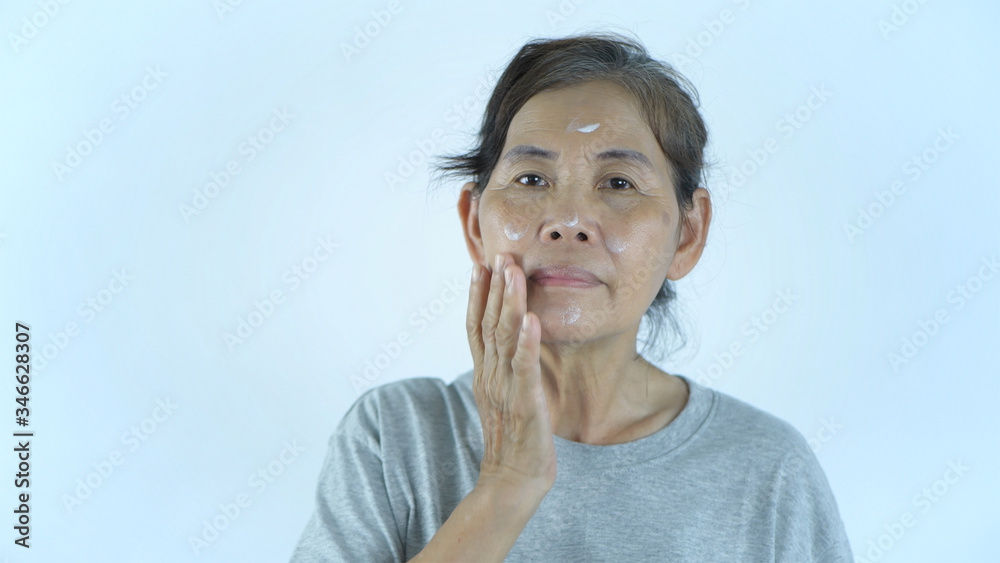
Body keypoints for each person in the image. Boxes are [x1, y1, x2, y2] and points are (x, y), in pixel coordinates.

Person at [290, 32, 853, 562]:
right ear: (473, 224)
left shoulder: (768, 469)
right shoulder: (396, 436)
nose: (568, 221)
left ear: (688, 233)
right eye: (532, 179)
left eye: (618, 183)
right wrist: (506, 486)